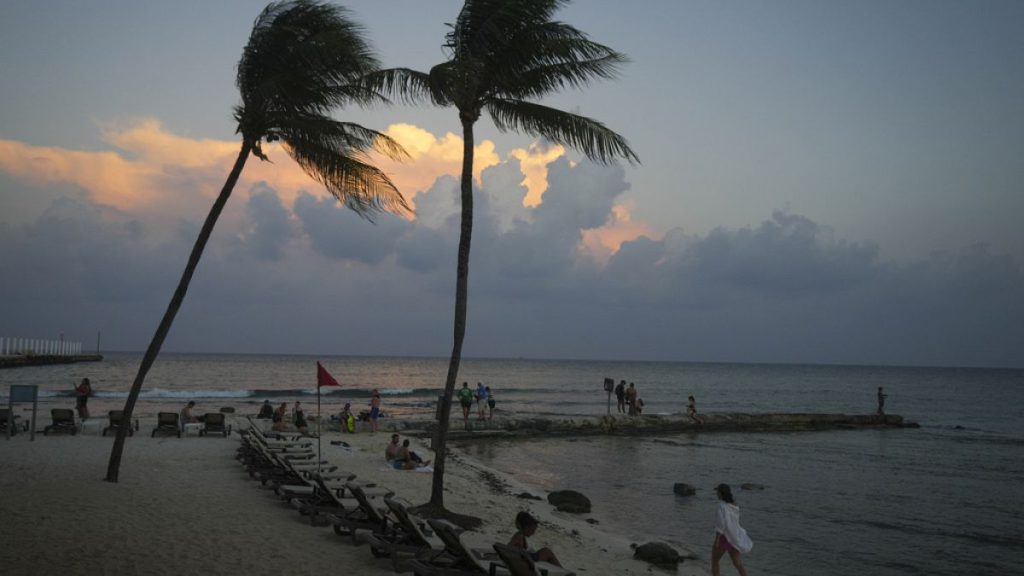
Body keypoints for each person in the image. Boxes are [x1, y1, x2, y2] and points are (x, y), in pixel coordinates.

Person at [712, 484, 752, 576]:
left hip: (724, 537)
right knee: (738, 564)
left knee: (715, 561)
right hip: (734, 537)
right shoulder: (735, 505)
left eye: (717, 492)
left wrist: (717, 540)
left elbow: (721, 525)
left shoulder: (721, 506)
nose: (716, 494)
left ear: (721, 494)